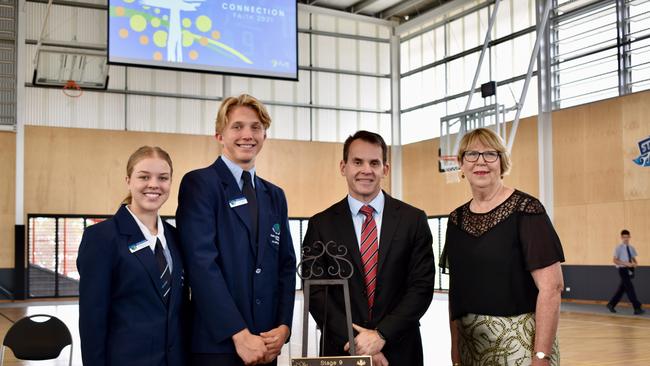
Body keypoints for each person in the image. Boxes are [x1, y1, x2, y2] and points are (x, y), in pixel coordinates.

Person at [176, 94, 296, 366]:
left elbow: (286, 266)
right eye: (237, 126)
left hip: (266, 344)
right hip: (218, 345)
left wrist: (283, 326)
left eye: (256, 127)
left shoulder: (275, 195)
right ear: (219, 135)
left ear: (264, 135)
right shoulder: (200, 184)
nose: (247, 135)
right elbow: (201, 265)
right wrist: (238, 334)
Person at [302, 130, 435, 366]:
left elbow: (421, 287)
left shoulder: (413, 220)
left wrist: (381, 335)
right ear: (343, 167)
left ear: (385, 168)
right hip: (341, 350)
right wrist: (358, 344)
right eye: (357, 162)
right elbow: (316, 293)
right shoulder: (321, 224)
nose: (366, 170)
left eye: (374, 162)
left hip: (400, 349)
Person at [440, 128, 565, 366]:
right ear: (461, 164)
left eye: (490, 154)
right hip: (471, 348)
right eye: (472, 154)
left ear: (502, 161)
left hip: (521, 347)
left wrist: (541, 356)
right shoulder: (455, 220)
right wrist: (455, 350)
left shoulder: (527, 210)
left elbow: (552, 288)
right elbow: (456, 294)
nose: (481, 162)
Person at [77, 146, 187, 366]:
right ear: (128, 179)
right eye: (144, 177)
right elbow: (92, 319)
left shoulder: (177, 237)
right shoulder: (101, 237)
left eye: (163, 178)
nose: (154, 184)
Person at [607, 229, 645, 315]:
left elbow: (634, 259)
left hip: (630, 270)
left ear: (629, 237)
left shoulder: (631, 248)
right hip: (623, 270)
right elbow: (615, 260)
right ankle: (637, 307)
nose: (626, 239)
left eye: (627, 237)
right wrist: (625, 263)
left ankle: (611, 304)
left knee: (622, 289)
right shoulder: (618, 248)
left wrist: (635, 263)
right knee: (630, 288)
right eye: (624, 237)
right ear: (621, 238)